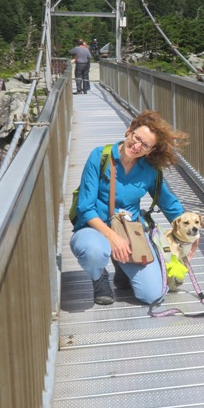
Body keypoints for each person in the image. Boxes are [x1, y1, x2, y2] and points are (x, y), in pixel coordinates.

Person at [70, 110, 189, 306]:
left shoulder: (150, 170)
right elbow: (85, 207)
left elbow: (168, 203)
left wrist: (189, 233)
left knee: (154, 295)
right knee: (92, 251)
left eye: (145, 145)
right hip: (94, 227)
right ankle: (99, 276)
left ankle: (122, 267)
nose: (137, 146)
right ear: (129, 131)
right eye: (136, 138)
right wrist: (113, 237)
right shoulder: (100, 157)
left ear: (150, 150)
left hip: (130, 230)